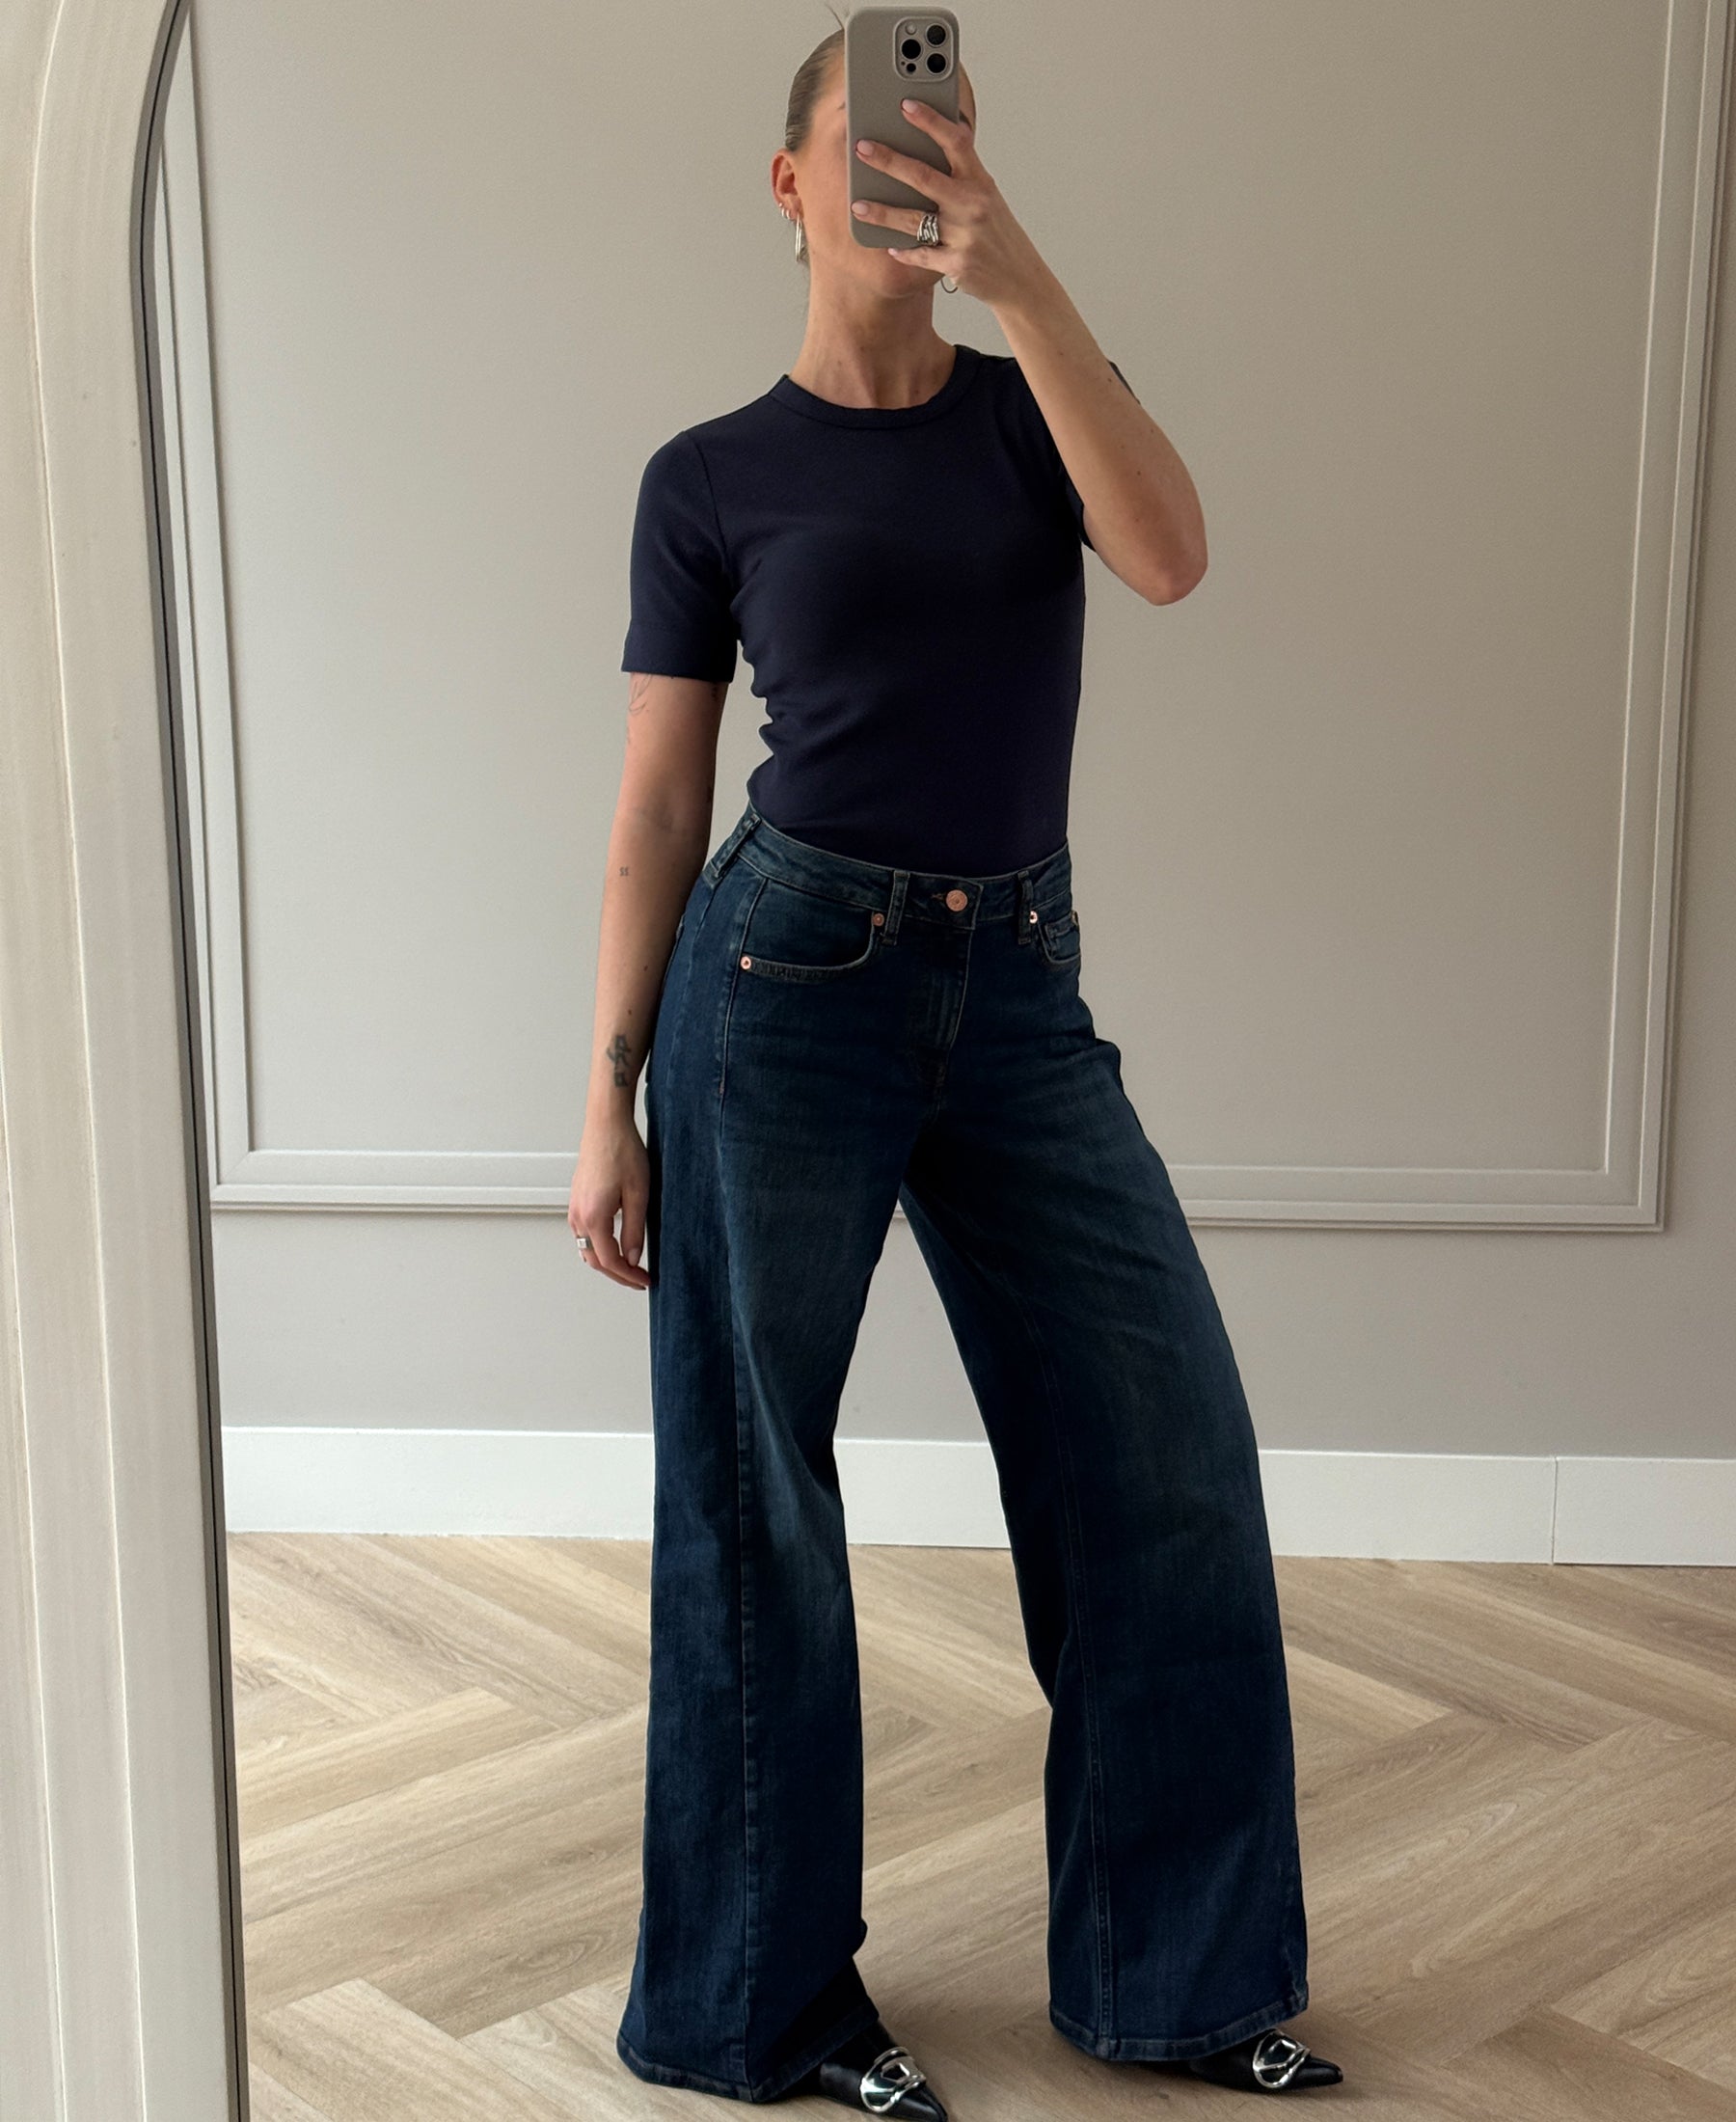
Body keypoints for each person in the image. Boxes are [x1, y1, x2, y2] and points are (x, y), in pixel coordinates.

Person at [568, 24, 1343, 2113]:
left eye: (952, 135)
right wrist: (606, 1090)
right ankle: (760, 2013)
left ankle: (1179, 1983)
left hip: (1018, 991)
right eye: (877, 139)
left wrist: (1026, 279)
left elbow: (1170, 553)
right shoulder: (708, 476)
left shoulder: (1030, 408)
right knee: (757, 1494)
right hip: (781, 982)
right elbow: (657, 804)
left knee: (1165, 1461)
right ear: (790, 183)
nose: (917, 165)